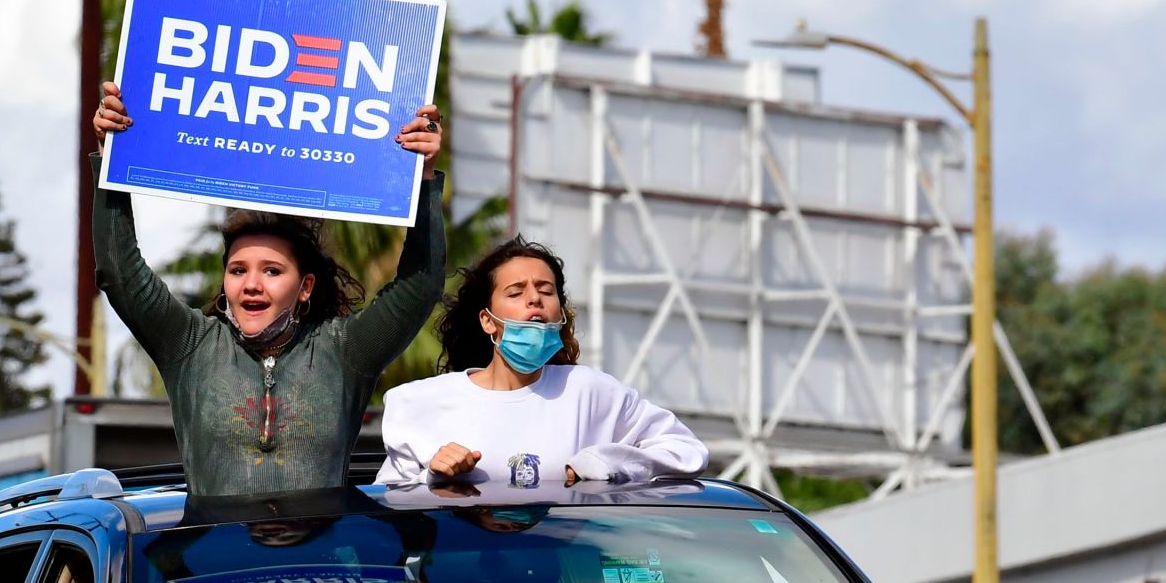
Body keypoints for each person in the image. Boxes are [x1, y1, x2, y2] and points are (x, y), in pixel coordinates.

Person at [91, 82, 446, 496]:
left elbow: (420, 287)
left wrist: (421, 179)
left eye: (273, 271)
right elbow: (121, 274)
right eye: (238, 270)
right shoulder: (189, 345)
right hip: (217, 561)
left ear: (305, 287)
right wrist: (109, 158)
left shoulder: (345, 351)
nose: (252, 285)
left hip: (325, 561)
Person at [375, 237, 707, 489]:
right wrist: (432, 477)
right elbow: (383, 508)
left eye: (546, 291)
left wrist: (609, 462)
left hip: (566, 574)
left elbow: (685, 451)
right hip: (462, 575)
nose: (535, 298)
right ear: (488, 321)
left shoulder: (590, 392)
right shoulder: (421, 402)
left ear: (560, 315)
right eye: (516, 292)